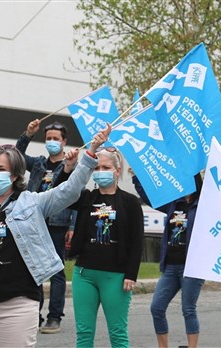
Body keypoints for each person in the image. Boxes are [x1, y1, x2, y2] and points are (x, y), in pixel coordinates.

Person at [0, 128, 110, 347]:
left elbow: (69, 190)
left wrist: (91, 152)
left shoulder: (32, 203)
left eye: (0, 169)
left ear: (14, 174)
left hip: (17, 305)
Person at [60, 146, 144, 348]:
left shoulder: (130, 202)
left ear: (117, 171)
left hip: (115, 276)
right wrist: (68, 168)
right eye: (96, 168)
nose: (100, 172)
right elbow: (62, 193)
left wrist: (131, 274)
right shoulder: (87, 198)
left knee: (117, 334)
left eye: (105, 167)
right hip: (84, 274)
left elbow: (137, 241)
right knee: (84, 334)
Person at [15, 119, 77, 333]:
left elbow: (75, 195)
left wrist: (73, 226)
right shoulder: (39, 164)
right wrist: (27, 134)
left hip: (58, 224)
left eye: (55, 139)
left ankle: (54, 317)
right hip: (35, 220)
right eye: (48, 138)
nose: (51, 141)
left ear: (64, 141)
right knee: (35, 269)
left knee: (56, 271)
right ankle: (35, 314)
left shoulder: (69, 165)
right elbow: (17, 156)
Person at [132, 173, 205, 348]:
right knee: (156, 308)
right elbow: (150, 198)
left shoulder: (203, 206)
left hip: (192, 268)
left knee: (188, 309)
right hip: (171, 267)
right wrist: (137, 176)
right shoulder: (173, 204)